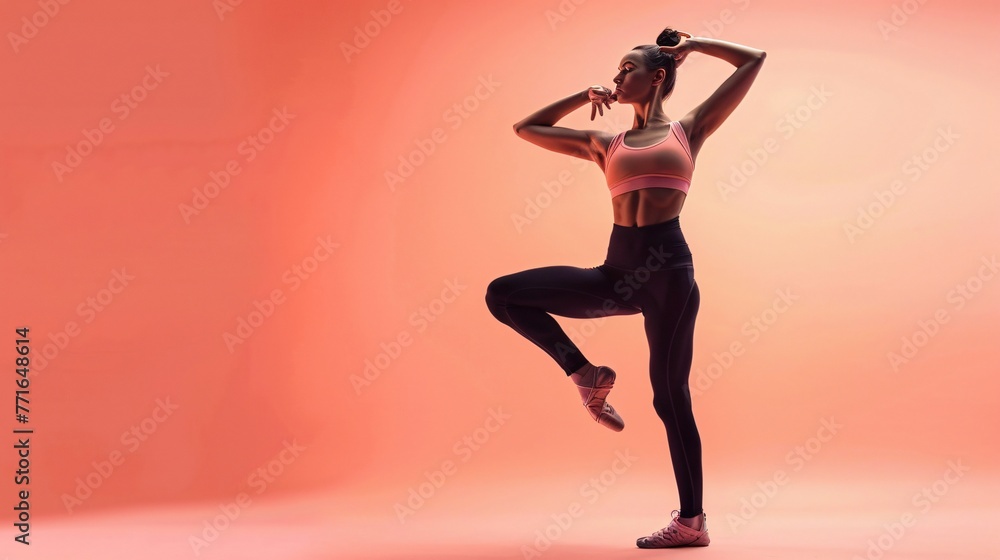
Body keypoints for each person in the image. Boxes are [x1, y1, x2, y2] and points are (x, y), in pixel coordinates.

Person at [485, 27, 766, 548]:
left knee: (670, 397)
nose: (617, 78)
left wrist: (696, 46)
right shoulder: (603, 142)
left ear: (657, 77)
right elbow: (527, 127)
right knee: (503, 294)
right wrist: (582, 96)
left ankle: (692, 522)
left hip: (669, 278)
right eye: (616, 71)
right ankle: (585, 374)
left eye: (626, 69)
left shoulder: (689, 129)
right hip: (616, 275)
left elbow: (753, 60)